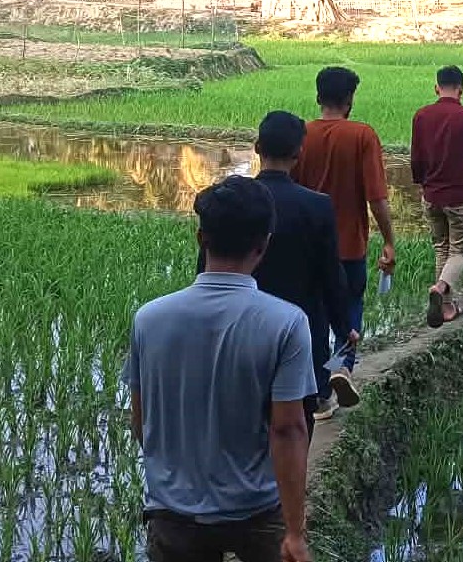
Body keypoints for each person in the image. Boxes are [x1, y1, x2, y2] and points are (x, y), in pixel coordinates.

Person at [124, 175, 315, 562]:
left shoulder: (149, 319)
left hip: (173, 514)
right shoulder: (286, 323)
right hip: (256, 511)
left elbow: (141, 421)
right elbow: (288, 429)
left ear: (201, 239)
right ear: (264, 244)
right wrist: (295, 532)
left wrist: (181, 476)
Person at [195, 111, 357, 425]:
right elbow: (331, 275)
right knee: (295, 422)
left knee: (243, 421)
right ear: (298, 153)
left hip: (237, 330)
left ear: (257, 147)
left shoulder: (230, 202)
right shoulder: (317, 206)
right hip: (302, 332)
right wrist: (344, 326)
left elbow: (207, 270)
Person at [293, 66, 395, 409]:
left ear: (318, 97)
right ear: (350, 99)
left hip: (308, 249)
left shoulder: (301, 135)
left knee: (315, 318)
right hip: (349, 246)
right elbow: (376, 197)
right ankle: (343, 368)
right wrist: (389, 240)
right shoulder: (362, 135)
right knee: (350, 309)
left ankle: (320, 394)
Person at [411, 65, 463, 328]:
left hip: (431, 194)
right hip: (458, 196)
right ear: (461, 89)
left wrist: (422, 184)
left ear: (436, 88)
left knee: (441, 248)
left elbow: (416, 158)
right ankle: (441, 287)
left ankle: (446, 307)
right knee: (461, 249)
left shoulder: (421, 115)